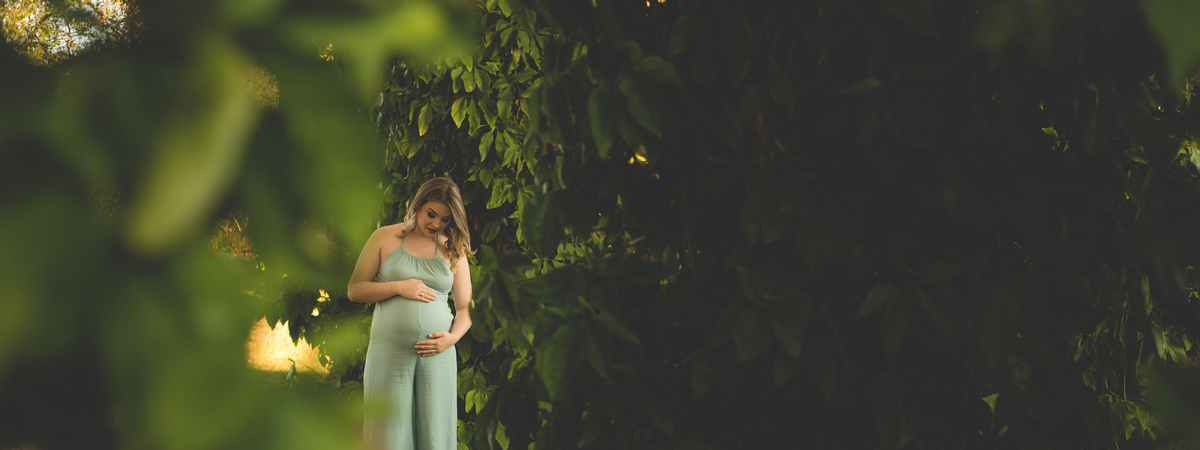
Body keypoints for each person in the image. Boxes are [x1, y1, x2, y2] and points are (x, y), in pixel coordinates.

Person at [347, 177, 474, 450]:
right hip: (389, 352)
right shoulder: (384, 237)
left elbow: (466, 308)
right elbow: (355, 290)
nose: (436, 224)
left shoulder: (453, 248)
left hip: (437, 353)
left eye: (445, 219)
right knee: (388, 433)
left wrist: (451, 339)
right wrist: (398, 287)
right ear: (417, 204)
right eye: (431, 214)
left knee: (435, 434)